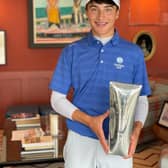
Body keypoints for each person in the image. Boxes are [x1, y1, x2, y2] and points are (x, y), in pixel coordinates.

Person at [49, 0, 151, 167]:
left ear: (117, 13)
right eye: (94, 9)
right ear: (87, 12)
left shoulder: (134, 53)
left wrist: (137, 129)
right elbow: (57, 99)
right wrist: (90, 121)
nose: (101, 16)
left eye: (108, 9)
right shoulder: (72, 51)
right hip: (79, 137)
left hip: (119, 139)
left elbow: (141, 99)